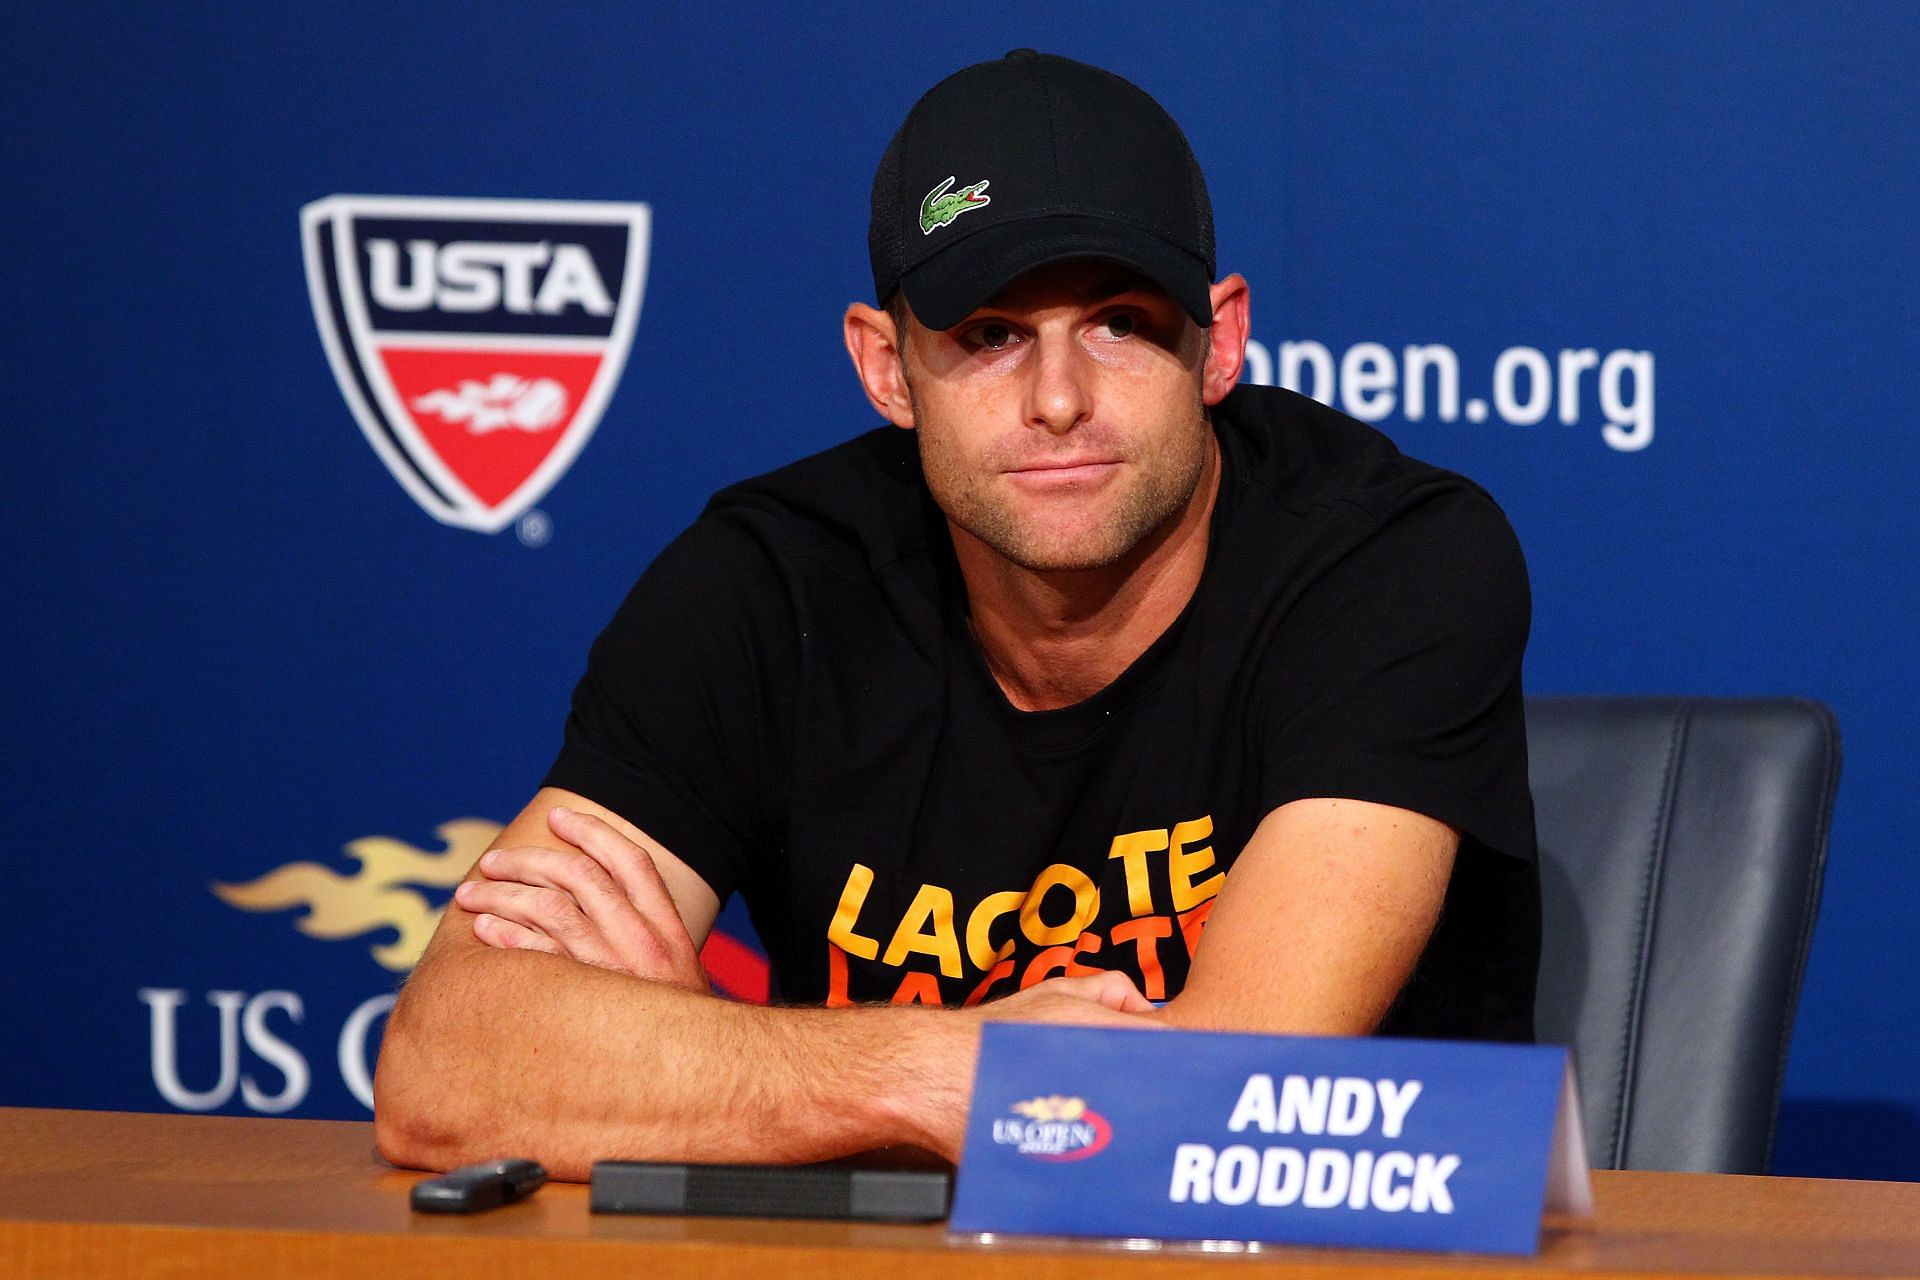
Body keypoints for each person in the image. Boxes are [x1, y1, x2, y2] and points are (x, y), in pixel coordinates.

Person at [374, 50, 1539, 1181]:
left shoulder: (1391, 562)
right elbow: (446, 1065)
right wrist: (923, 1073)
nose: (1059, 399)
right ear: (886, 368)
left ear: (1220, 342)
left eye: (1121, 322)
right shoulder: (768, 583)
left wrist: (699, 1060)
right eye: (988, 336)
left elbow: (1207, 1117)